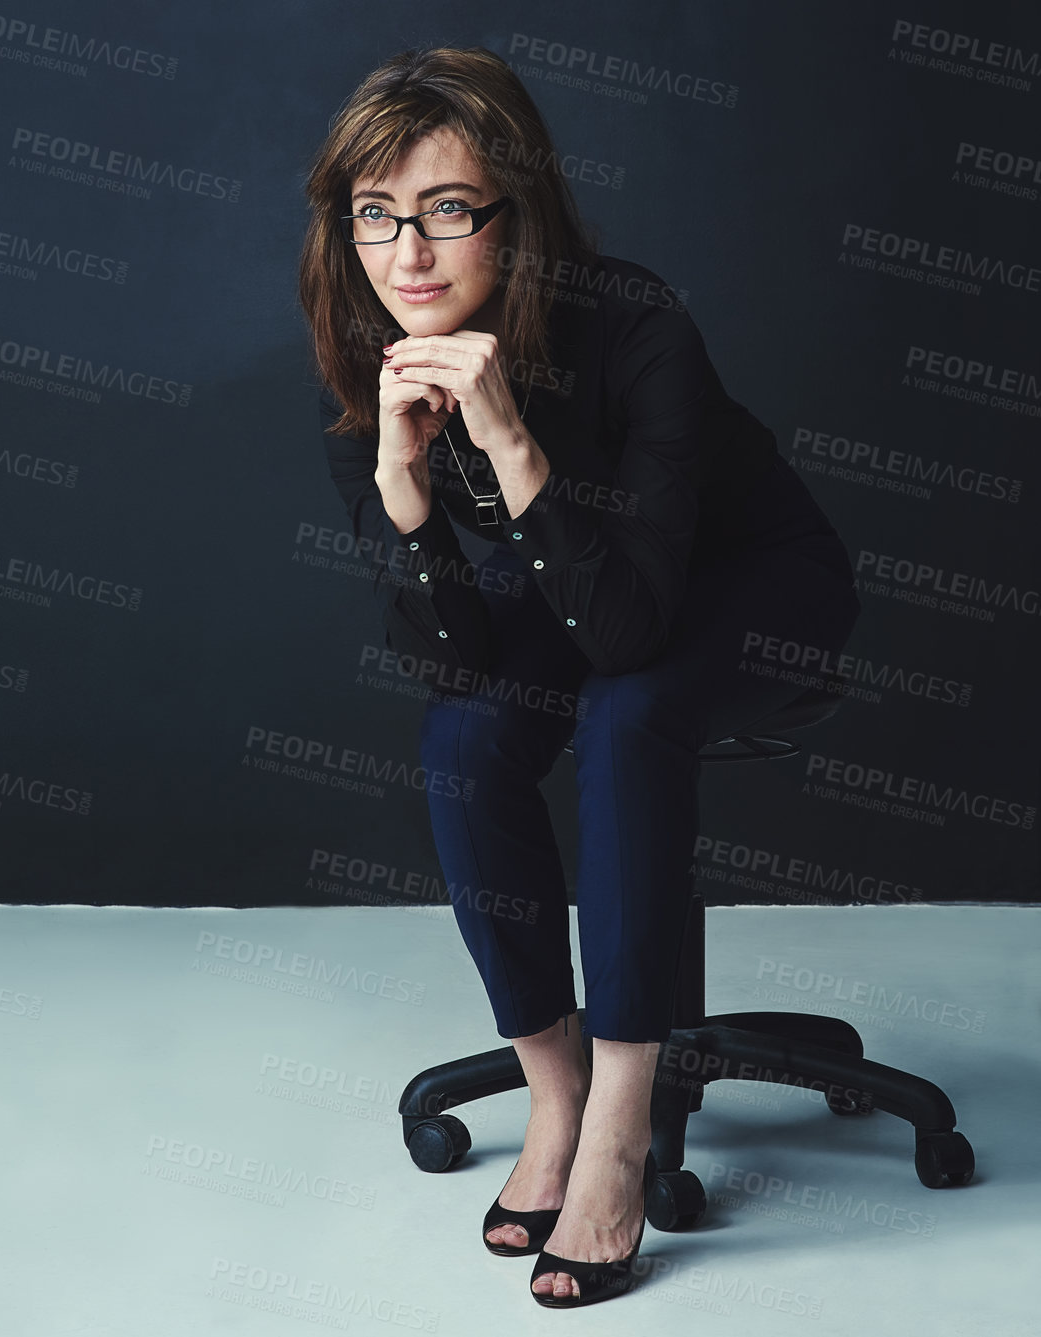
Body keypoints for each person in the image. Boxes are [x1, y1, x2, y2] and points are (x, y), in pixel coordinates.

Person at [297, 47, 862, 1307]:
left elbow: (629, 630)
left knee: (628, 711)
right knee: (463, 738)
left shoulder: (634, 322)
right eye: (376, 217)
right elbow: (446, 659)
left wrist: (504, 434)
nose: (411, 254)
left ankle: (618, 1121)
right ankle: (555, 1089)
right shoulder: (369, 356)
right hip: (597, 585)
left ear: (518, 212)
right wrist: (405, 504)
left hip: (753, 582)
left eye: (448, 209)